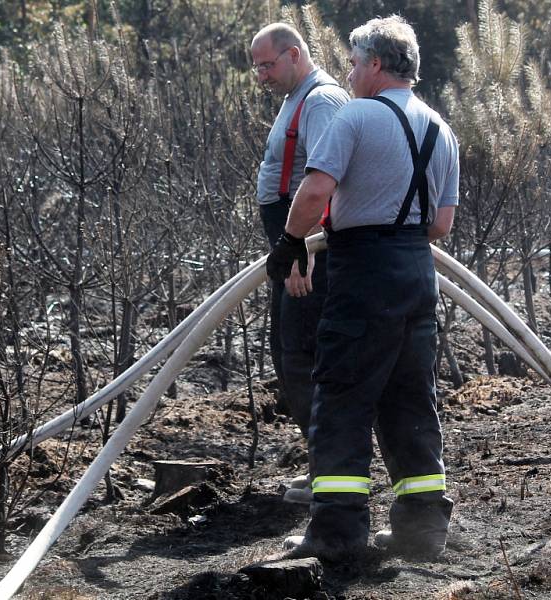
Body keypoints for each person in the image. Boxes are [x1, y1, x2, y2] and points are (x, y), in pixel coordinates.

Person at [266, 15, 459, 562]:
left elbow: (314, 190)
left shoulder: (355, 118)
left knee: (344, 397)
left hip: (363, 273)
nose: (348, 73)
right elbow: (441, 225)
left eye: (353, 62)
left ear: (376, 64)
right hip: (416, 274)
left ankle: (336, 533)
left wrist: (290, 243)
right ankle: (422, 532)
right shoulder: (439, 127)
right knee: (410, 399)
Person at [251, 24, 348, 503]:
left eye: (268, 65)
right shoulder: (297, 99)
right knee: (287, 354)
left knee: (303, 357)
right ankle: (320, 467)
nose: (262, 76)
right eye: (258, 68)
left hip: (306, 255)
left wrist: (301, 253)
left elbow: (327, 181)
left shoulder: (322, 101)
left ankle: (331, 475)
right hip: (292, 249)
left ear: (294, 54)